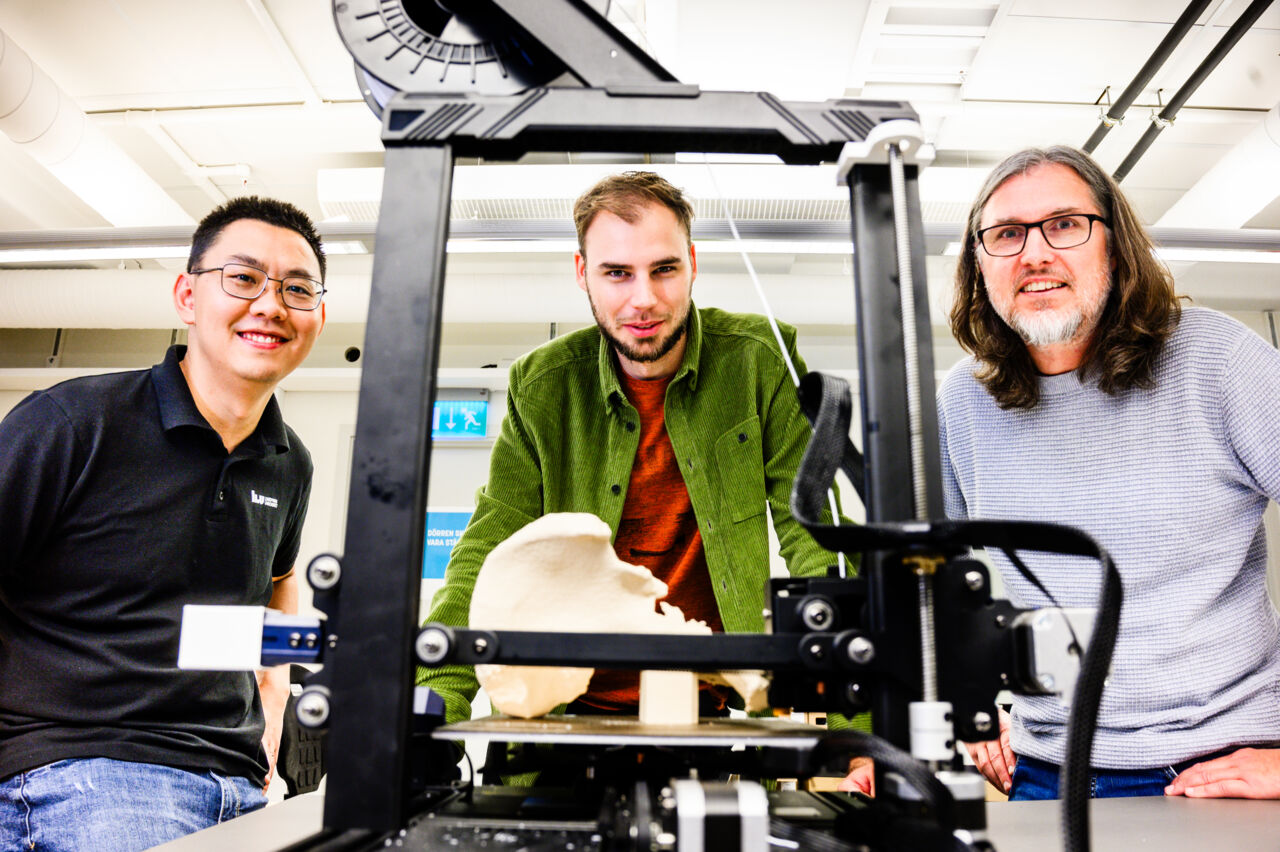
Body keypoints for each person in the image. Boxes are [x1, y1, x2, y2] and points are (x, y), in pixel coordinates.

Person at [418, 171, 842, 729]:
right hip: (562, 723)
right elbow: (485, 554)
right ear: (582, 274)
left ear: (692, 261)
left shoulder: (758, 360)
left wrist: (855, 728)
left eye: (664, 269)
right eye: (617, 273)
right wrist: (428, 715)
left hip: (711, 717)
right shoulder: (542, 386)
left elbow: (818, 538)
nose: (644, 299)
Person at [941, 145, 1280, 800]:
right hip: (1044, 773)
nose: (1034, 253)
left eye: (1064, 224)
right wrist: (969, 698)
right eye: (1006, 234)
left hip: (1218, 768)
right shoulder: (964, 399)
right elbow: (942, 578)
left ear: (1115, 246)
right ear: (980, 265)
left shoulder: (1220, 362)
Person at [0, 196, 328, 850]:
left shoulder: (289, 461)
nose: (271, 304)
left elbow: (280, 579)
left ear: (320, 314)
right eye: (243, 278)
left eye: (298, 288)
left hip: (236, 777)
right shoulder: (69, 425)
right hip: (87, 763)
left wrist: (272, 706)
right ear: (187, 295)